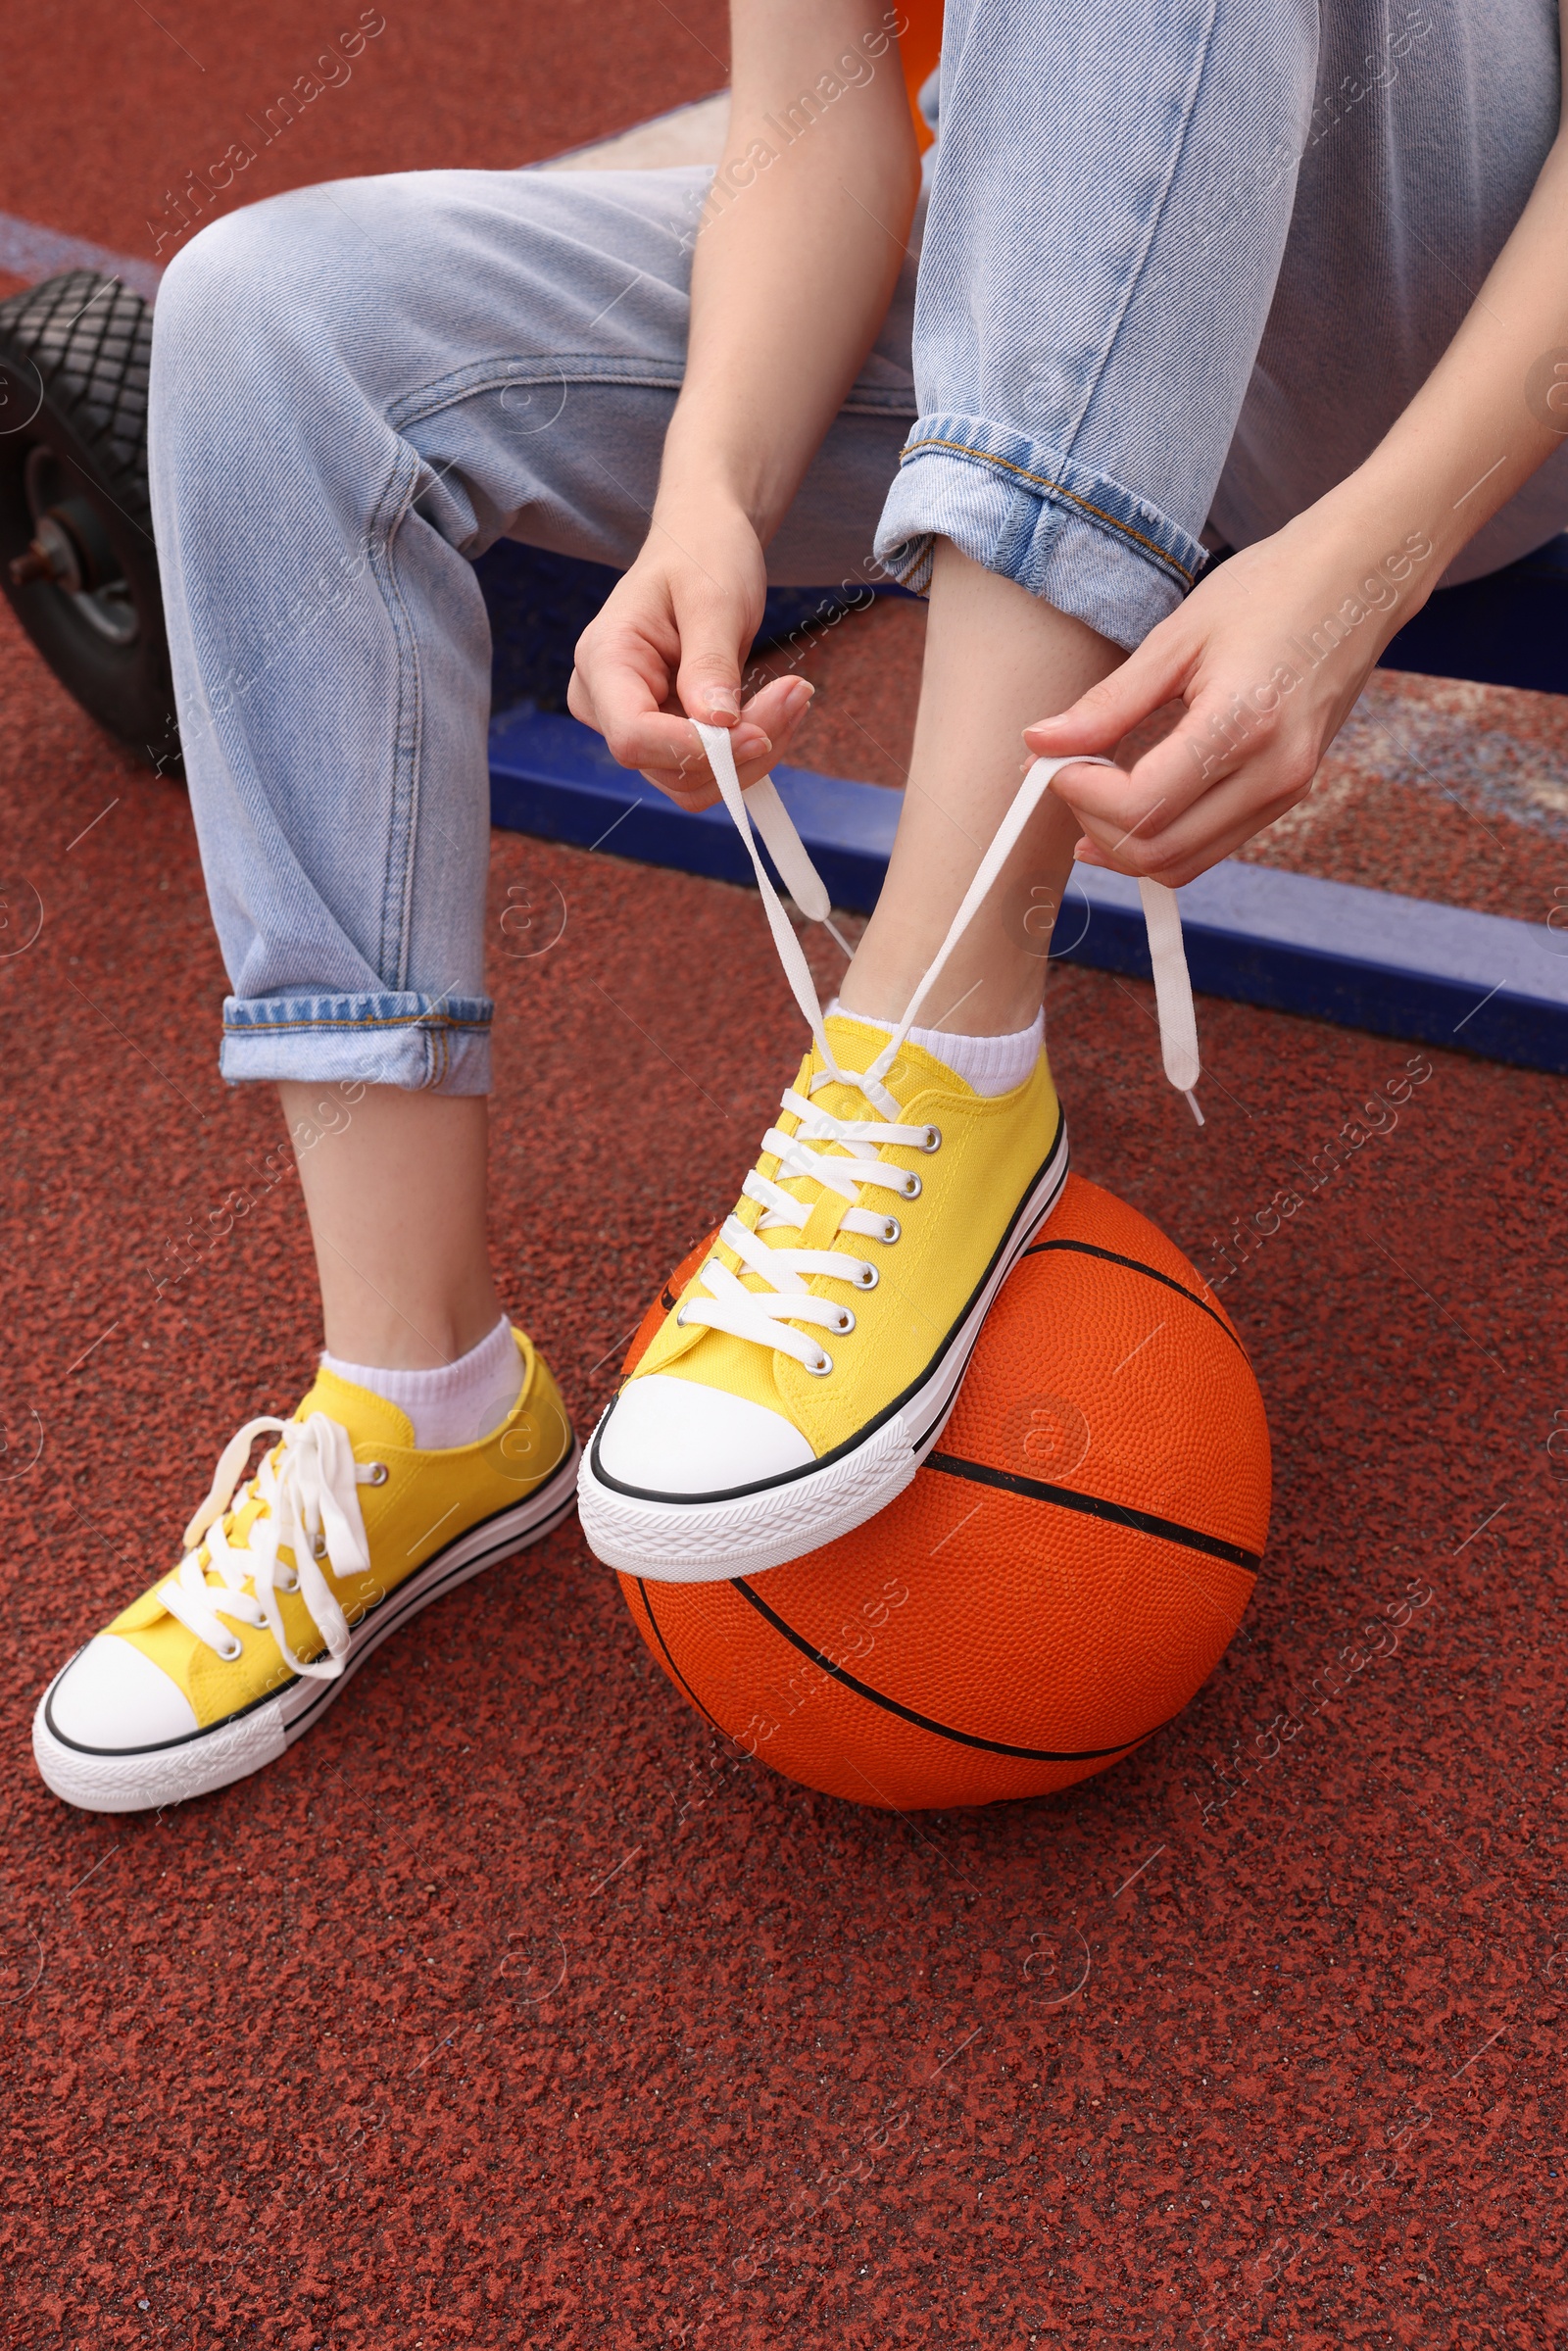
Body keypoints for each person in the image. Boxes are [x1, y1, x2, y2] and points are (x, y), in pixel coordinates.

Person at [32, 0, 1568, 1809]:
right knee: (270, 316)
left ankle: (940, 1047)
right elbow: (822, 118)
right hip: (1060, 304)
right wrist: (710, 490)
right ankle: (418, 1401)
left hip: (1452, 352)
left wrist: (1367, 555)